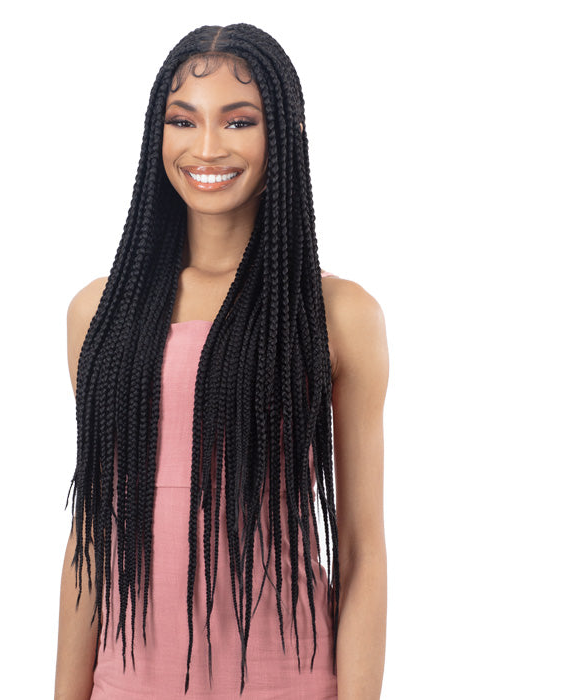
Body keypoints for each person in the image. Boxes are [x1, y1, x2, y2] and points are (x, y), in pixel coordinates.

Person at [54, 23, 388, 700]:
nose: (207, 147)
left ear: (284, 133)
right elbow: (93, 538)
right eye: (183, 120)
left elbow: (361, 552)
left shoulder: (337, 314)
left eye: (239, 121)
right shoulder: (99, 313)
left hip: (289, 684)